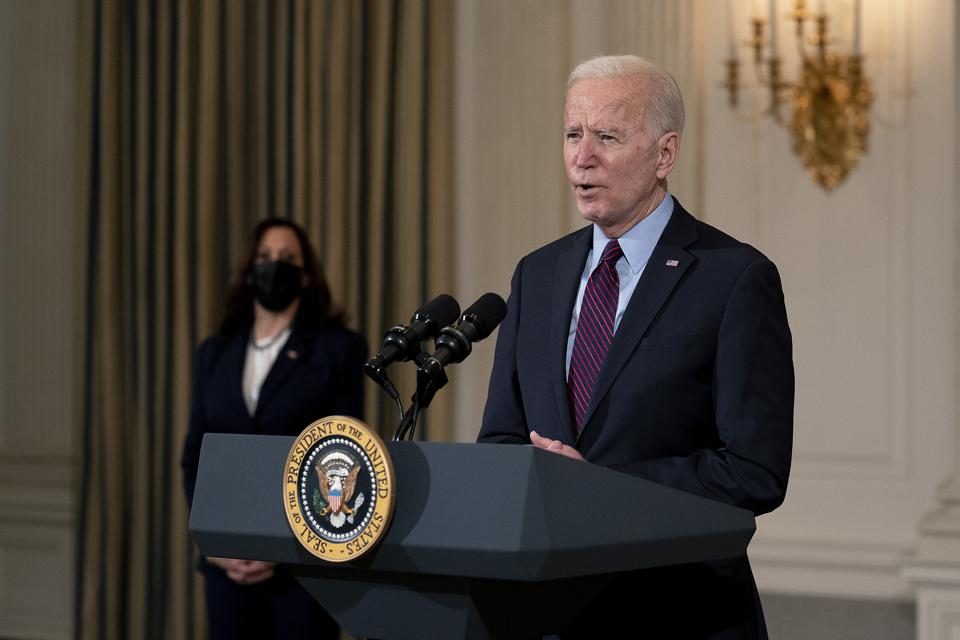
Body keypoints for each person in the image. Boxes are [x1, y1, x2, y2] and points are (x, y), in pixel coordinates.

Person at [477, 55, 793, 639]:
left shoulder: (733, 279)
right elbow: (501, 438)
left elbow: (754, 471)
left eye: (607, 137)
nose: (582, 156)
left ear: (664, 154)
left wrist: (599, 487)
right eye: (573, 134)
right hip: (549, 613)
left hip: (677, 611)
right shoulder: (537, 274)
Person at [181, 218, 366, 640]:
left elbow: (341, 453)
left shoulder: (338, 349)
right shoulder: (214, 353)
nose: (273, 266)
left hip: (303, 570)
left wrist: (286, 548)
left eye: (287, 258)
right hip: (226, 566)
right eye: (264, 258)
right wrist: (214, 541)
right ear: (249, 270)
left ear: (305, 274)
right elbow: (195, 456)